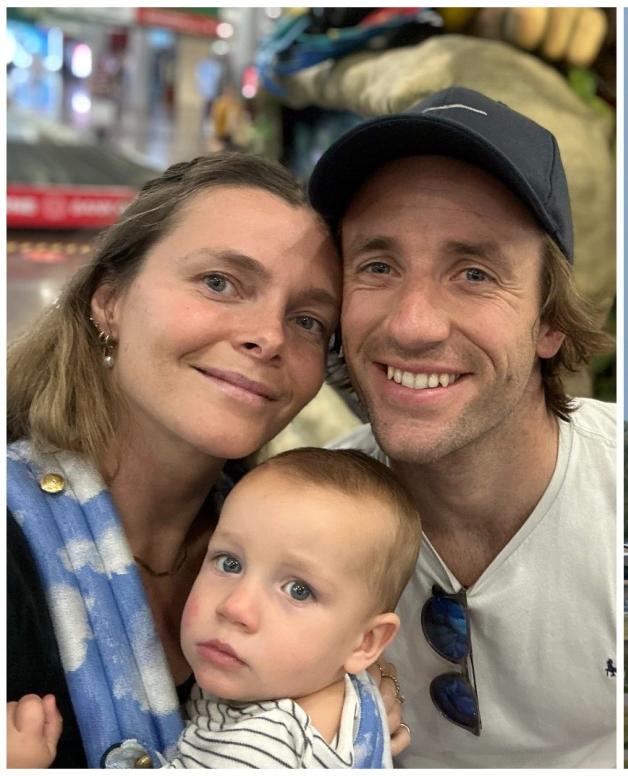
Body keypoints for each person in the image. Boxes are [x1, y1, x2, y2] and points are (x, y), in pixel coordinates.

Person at [6, 153, 406, 768]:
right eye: (219, 283)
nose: (268, 337)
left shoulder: (297, 546)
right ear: (109, 298)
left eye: (306, 320)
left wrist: (349, 717)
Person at [307, 86, 617, 767]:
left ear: (548, 320)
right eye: (378, 266)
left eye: (473, 273)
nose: (413, 324)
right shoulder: (303, 524)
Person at [10, 448, 421, 768]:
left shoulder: (262, 744)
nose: (236, 607)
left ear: (366, 641)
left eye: (298, 590)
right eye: (229, 563)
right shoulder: (323, 696)